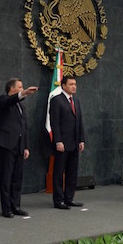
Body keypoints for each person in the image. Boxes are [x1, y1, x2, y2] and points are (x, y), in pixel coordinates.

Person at [0, 78, 38, 218]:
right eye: (20, 87)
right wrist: (23, 93)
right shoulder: (3, 100)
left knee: (17, 178)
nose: (22, 89)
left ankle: (16, 205)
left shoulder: (21, 106)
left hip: (19, 146)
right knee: (6, 177)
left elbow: (24, 127)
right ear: (12, 89)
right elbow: (9, 101)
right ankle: (6, 209)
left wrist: (26, 147)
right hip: (5, 145)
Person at [49, 76, 85, 210]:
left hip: (74, 142)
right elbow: (55, 123)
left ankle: (69, 198)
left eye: (75, 84)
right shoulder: (56, 100)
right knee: (59, 172)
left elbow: (79, 122)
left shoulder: (76, 101)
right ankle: (58, 200)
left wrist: (81, 139)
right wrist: (58, 140)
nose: (74, 86)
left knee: (72, 172)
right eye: (71, 84)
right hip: (62, 143)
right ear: (63, 86)